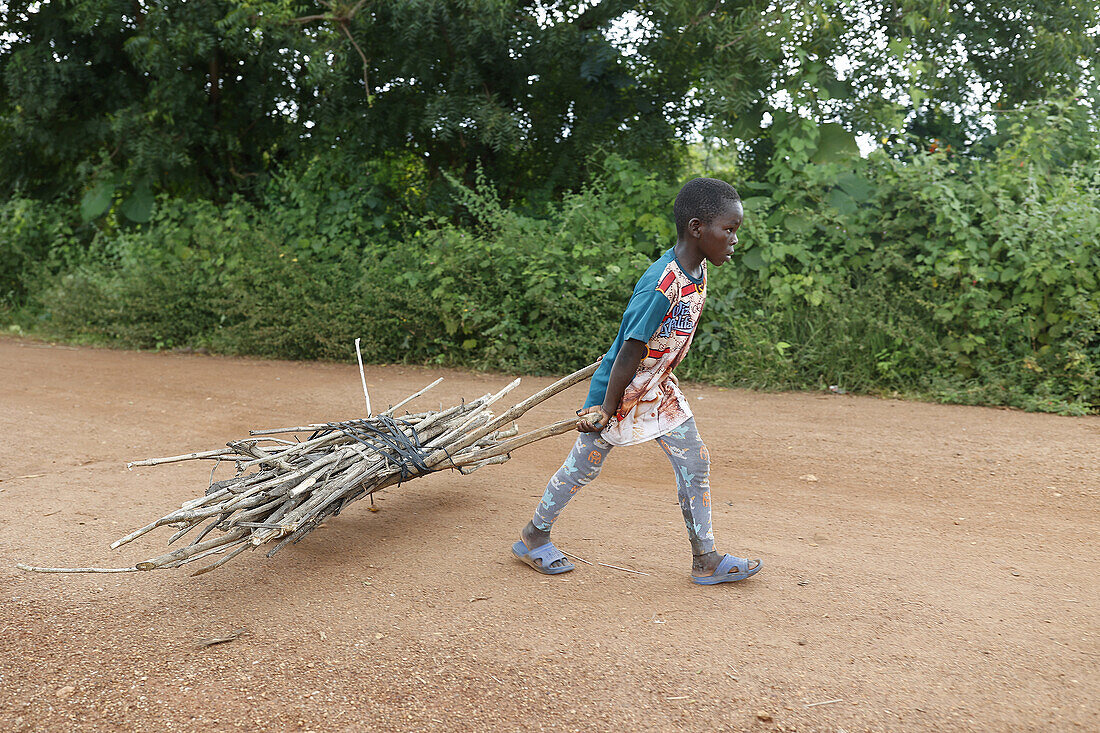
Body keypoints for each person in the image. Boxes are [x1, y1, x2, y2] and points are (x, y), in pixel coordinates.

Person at [510, 177, 762, 585]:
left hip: (656, 387)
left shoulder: (696, 270)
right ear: (697, 228)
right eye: (729, 230)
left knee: (695, 463)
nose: (734, 240)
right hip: (620, 391)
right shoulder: (661, 285)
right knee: (582, 468)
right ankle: (533, 536)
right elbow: (628, 351)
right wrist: (605, 408)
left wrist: (659, 377)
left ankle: (706, 559)